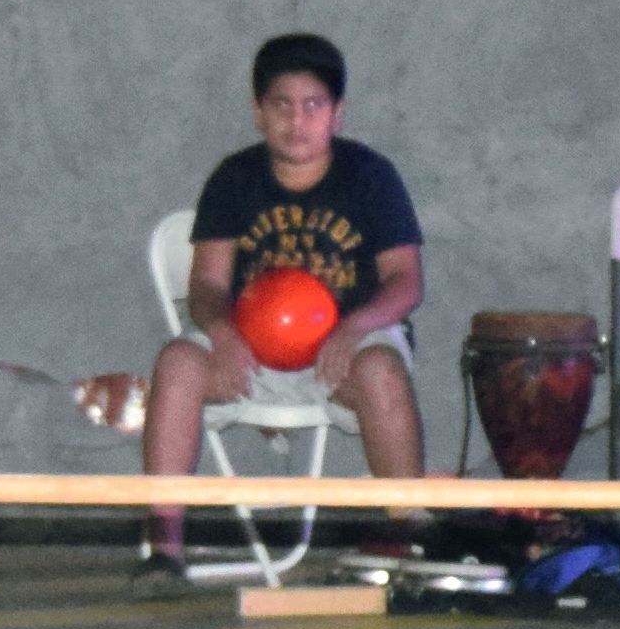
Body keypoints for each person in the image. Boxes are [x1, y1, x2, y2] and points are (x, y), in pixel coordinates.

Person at [140, 32, 426, 585]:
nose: (298, 122)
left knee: (384, 370)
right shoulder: (233, 179)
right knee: (176, 362)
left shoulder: (372, 177)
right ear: (257, 112)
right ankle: (164, 545)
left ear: (337, 114)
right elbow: (207, 284)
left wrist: (355, 327)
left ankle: (408, 534)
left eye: (313, 106)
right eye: (282, 106)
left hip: (343, 351)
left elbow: (406, 283)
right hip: (249, 352)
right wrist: (222, 332)